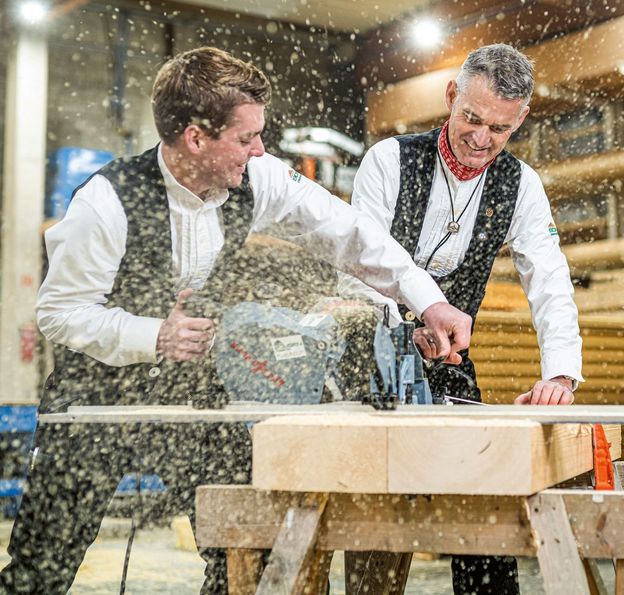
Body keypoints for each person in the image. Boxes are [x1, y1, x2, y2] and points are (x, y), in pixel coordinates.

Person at [0, 46, 471, 595]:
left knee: (246, 543)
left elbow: (348, 233)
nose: (260, 149)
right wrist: (154, 335)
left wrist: (426, 298)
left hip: (190, 392)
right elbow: (59, 313)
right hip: (95, 400)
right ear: (196, 138)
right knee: (41, 570)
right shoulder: (106, 202)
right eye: (247, 138)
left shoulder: (258, 177)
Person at [341, 43, 583, 595]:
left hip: (449, 364)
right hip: (369, 363)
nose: (480, 138)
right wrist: (401, 334)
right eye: (471, 118)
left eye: (498, 129)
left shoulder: (522, 187)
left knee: (487, 504)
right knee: (376, 524)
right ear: (452, 96)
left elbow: (549, 280)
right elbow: (357, 269)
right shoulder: (389, 160)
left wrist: (561, 375)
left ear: (519, 119)